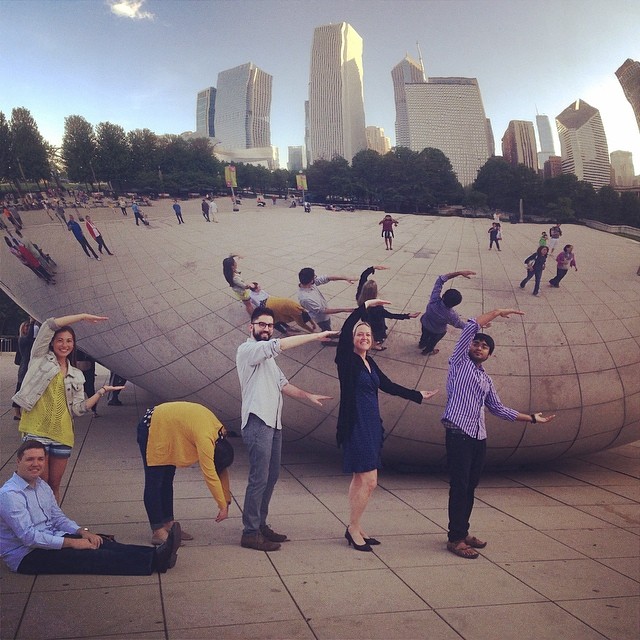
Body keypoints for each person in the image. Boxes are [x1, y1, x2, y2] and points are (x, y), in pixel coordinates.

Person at [442, 308, 555, 559]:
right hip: (458, 434)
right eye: (477, 343)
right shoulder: (459, 362)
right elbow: (471, 325)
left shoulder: (486, 380)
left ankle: (463, 530)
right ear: (470, 347)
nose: (480, 347)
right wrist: (496, 312)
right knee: (459, 486)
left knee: (470, 486)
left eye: (485, 347)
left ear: (489, 355)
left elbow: (498, 408)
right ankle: (455, 539)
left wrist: (532, 419)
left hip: (478, 437)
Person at [336, 301, 438, 551]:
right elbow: (348, 327)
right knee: (370, 481)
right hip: (355, 425)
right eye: (360, 334)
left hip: (371, 425)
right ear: (352, 339)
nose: (364, 337)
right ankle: (352, 528)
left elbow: (388, 385)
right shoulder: (347, 362)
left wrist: (417, 395)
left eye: (368, 335)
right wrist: (365, 306)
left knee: (360, 479)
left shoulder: (370, 363)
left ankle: (355, 526)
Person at [0, 440, 181, 575]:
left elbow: (57, 517)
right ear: (18, 461)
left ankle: (158, 553)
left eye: (40, 459)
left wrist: (83, 532)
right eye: (30, 459)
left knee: (101, 542)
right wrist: (73, 542)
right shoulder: (10, 495)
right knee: (89, 557)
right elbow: (29, 538)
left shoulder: (40, 485)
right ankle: (156, 561)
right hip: (26, 555)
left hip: (50, 537)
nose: (36, 464)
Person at [236, 307, 335, 551]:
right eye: (262, 324)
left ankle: (260, 525)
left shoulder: (268, 360)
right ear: (252, 327)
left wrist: (308, 395)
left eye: (270, 325)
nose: (266, 329)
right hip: (258, 421)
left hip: (273, 423)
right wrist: (314, 336)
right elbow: (279, 346)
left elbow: (283, 385)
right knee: (259, 478)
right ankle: (250, 532)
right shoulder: (248, 350)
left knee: (271, 477)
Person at [12, 314, 124, 502]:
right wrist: (82, 317)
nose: (64, 345)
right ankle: (38, 525)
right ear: (52, 343)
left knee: (54, 485)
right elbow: (49, 325)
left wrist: (102, 392)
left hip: (62, 435)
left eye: (69, 341)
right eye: (60, 340)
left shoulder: (77, 374)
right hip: (36, 430)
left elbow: (78, 409)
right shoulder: (40, 358)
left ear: (74, 344)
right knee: (39, 482)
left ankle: (54, 525)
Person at [136, 402, 233, 545]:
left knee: (167, 480)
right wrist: (222, 506)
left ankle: (168, 524)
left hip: (170, 430)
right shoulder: (206, 439)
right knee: (155, 482)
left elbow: (221, 469)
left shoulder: (220, 434)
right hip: (153, 427)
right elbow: (211, 474)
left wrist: (226, 501)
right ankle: (157, 530)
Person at [356, 266, 419, 350]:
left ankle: (372, 342)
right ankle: (374, 345)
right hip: (376, 325)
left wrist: (373, 268)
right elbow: (391, 315)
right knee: (375, 334)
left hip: (366, 319)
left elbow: (363, 276)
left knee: (369, 331)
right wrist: (408, 315)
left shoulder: (359, 295)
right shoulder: (377, 308)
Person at [418, 271, 475, 356]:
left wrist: (459, 273)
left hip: (425, 324)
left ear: (443, 296)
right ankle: (427, 351)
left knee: (424, 335)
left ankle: (421, 344)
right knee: (432, 342)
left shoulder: (434, 300)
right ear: (455, 304)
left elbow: (440, 280)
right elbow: (460, 324)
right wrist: (476, 324)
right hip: (437, 331)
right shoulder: (451, 315)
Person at [297, 267, 356, 331]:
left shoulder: (309, 284)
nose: (315, 277)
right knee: (326, 328)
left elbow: (327, 278)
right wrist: (344, 310)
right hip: (321, 318)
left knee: (327, 326)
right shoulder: (305, 299)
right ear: (311, 280)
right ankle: (327, 338)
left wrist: (345, 278)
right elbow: (323, 311)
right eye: (314, 276)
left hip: (324, 313)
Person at [12, 319, 38, 420]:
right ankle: (17, 413)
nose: (27, 328)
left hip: (28, 368)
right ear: (22, 329)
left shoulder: (29, 340)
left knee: (27, 390)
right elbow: (30, 337)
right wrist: (32, 323)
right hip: (24, 370)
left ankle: (23, 412)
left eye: (28, 326)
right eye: (25, 326)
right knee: (20, 390)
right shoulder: (22, 339)